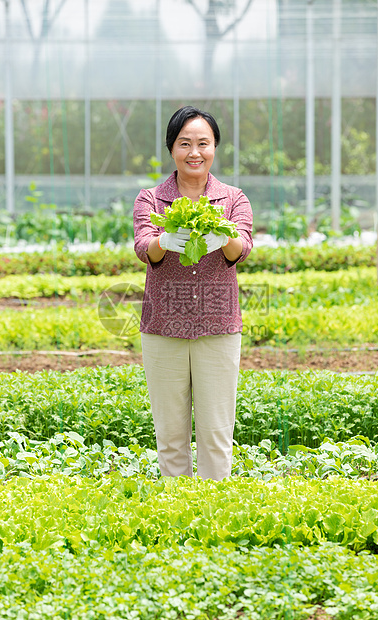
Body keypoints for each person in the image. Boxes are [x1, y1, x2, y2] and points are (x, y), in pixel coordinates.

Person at [133, 105, 253, 481]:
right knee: (170, 435)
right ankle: (178, 512)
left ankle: (214, 516)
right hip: (163, 329)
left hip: (218, 328)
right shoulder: (150, 199)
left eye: (204, 143)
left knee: (217, 434)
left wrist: (226, 236)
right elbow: (143, 247)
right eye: (185, 143)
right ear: (172, 148)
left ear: (215, 147)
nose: (194, 152)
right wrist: (165, 240)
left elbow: (243, 249)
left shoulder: (234, 199)